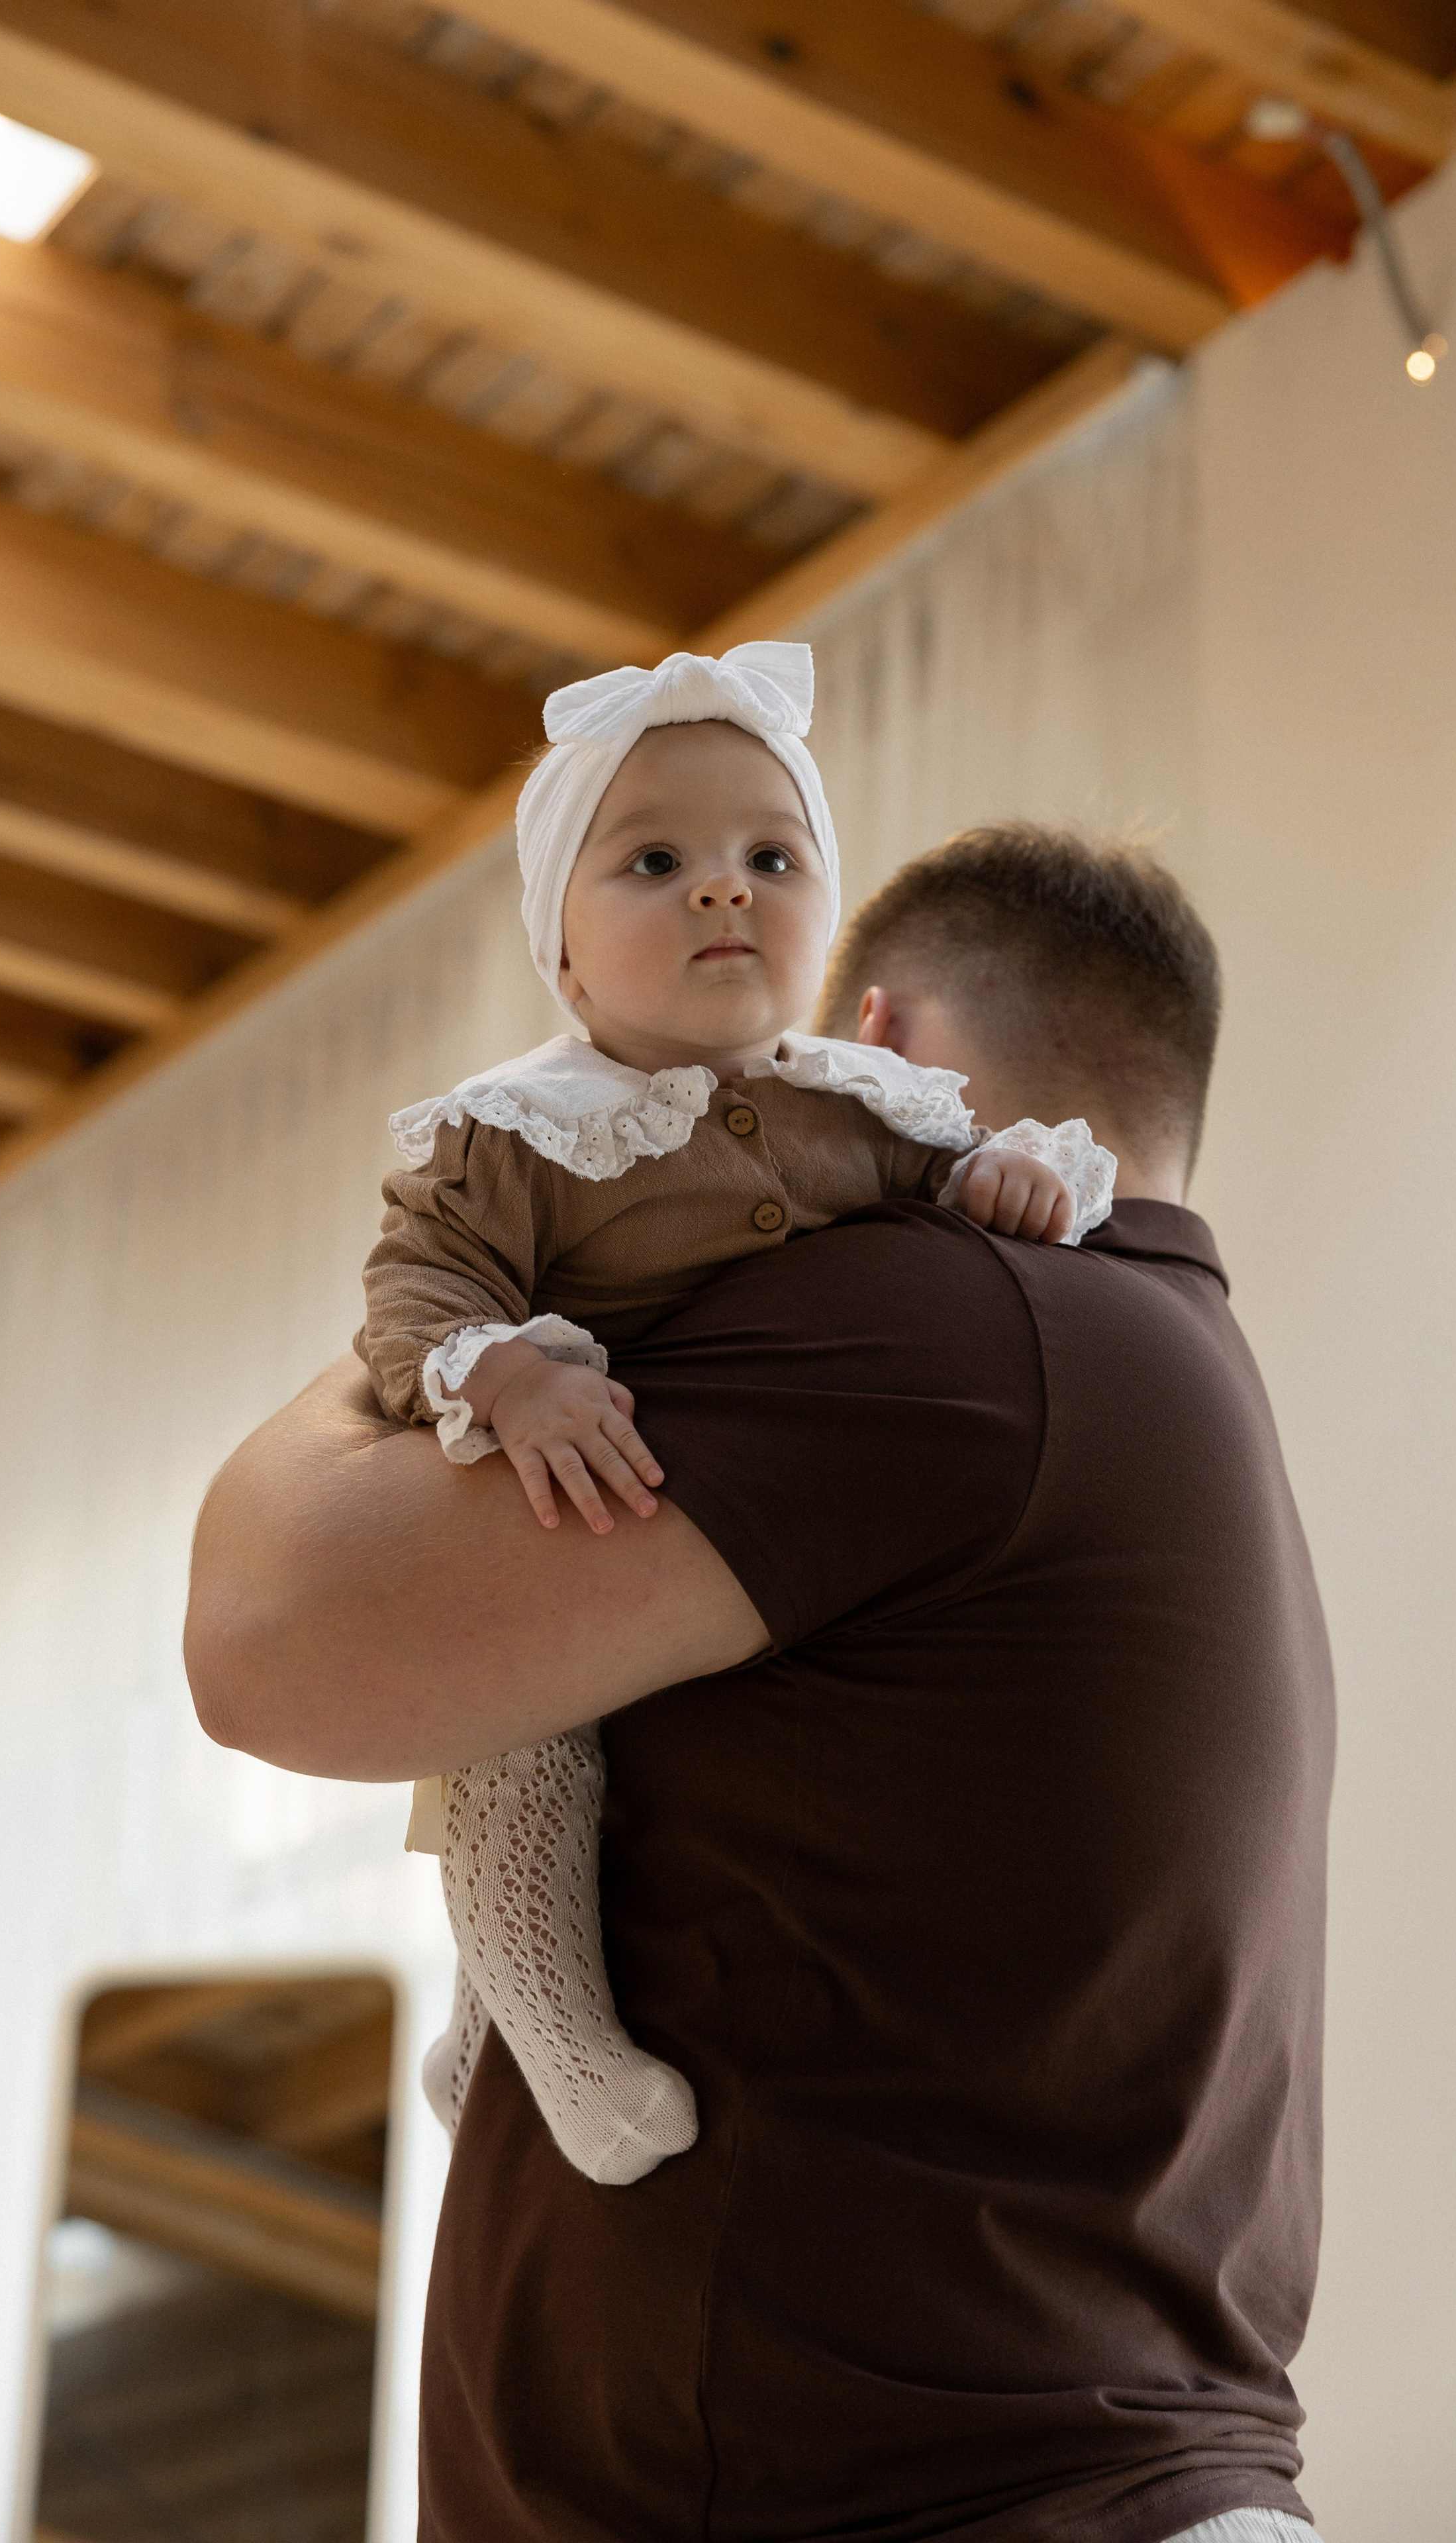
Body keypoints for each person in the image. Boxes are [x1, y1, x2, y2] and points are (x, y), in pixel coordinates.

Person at [185, 820, 1335, 2543]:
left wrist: (504, 1262)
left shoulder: (949, 1322)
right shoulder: (1152, 1374)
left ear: (867, 1054)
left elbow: (267, 1634)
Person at [358, 641, 1111, 2185]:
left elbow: (950, 1191)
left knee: (657, 1796)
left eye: (771, 857)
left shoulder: (866, 1106)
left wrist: (1002, 1184)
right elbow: (410, 1305)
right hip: (561, 1518)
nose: (723, 889)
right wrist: (507, 1373)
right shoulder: (512, 1140)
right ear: (561, 956)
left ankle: (474, 2027)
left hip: (740, 1556)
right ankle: (551, 2044)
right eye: (654, 862)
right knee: (520, 1745)